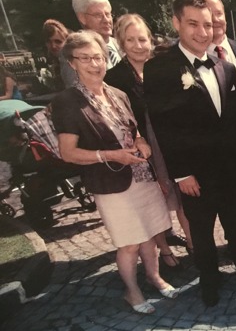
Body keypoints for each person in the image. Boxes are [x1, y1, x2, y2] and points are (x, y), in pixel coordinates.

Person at [144, 0, 236, 307]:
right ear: (176, 23)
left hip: (231, 166)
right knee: (202, 229)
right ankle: (209, 278)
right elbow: (164, 127)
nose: (202, 32)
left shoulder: (225, 68)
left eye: (207, 24)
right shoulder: (160, 69)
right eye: (193, 24)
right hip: (194, 172)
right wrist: (182, 173)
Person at [51, 30, 178, 314]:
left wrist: (141, 142)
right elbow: (68, 152)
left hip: (141, 177)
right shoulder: (67, 101)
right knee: (129, 242)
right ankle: (132, 292)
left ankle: (154, 277)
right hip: (111, 184)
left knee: (150, 233)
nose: (94, 64)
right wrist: (111, 155)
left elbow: (133, 131)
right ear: (72, 63)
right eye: (85, 58)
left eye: (98, 57)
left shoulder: (118, 94)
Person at [104, 13, 193, 269]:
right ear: (121, 43)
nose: (138, 45)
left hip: (171, 140)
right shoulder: (115, 77)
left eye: (142, 39)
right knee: (155, 199)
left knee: (184, 196)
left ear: (150, 40)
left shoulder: (163, 67)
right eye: (130, 40)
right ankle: (163, 249)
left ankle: (192, 242)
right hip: (142, 145)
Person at [60, 0, 122, 88]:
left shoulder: (124, 45)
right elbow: (79, 91)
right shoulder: (73, 51)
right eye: (98, 15)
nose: (106, 20)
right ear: (82, 18)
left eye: (108, 14)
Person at [42, 19, 71, 91]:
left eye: (58, 41)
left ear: (66, 41)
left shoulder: (71, 62)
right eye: (48, 41)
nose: (53, 46)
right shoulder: (59, 61)